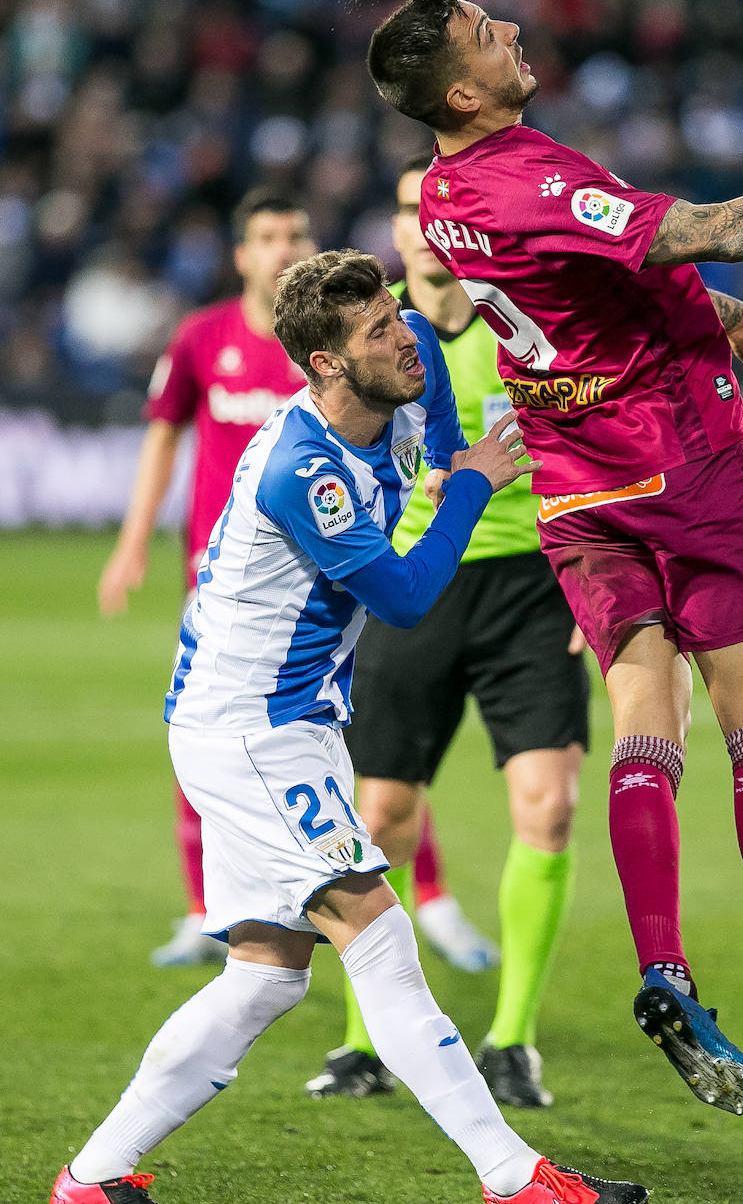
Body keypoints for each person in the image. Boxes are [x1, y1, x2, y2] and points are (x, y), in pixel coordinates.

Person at [365, 0, 743, 1115]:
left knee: (646, 727)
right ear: (460, 88)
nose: (508, 29)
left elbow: (594, 279)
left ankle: (665, 971)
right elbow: (709, 231)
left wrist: (726, 320)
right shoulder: (532, 175)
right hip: (680, 464)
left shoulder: (447, 192)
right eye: (483, 32)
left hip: (574, 487)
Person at [51, 249, 648, 1204]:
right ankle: (513, 1176)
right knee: (376, 934)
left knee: (264, 977)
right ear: (327, 363)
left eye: (398, 317)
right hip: (247, 729)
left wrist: (457, 441)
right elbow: (408, 597)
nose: (405, 337)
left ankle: (93, 1178)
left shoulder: (396, 395)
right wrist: (471, 486)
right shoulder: (303, 469)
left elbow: (446, 425)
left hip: (289, 722)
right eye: (378, 330)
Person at [98, 188, 490, 972]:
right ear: (242, 255)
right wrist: (135, 536)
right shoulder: (204, 340)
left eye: (295, 233)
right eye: (267, 236)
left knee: (378, 748)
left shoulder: (373, 346)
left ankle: (429, 894)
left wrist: (445, 462)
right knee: (231, 736)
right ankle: (210, 907)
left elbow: (427, 369)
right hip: (239, 584)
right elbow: (164, 433)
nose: (283, 247)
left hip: (343, 568)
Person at [304, 157, 589, 1110]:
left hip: (532, 589)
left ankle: (512, 1039)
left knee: (547, 807)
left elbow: (597, 453)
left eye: (442, 211)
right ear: (396, 235)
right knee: (377, 818)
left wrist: (597, 579)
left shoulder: (528, 332)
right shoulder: (379, 351)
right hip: (412, 590)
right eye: (409, 214)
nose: (425, 228)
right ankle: (364, 1042)